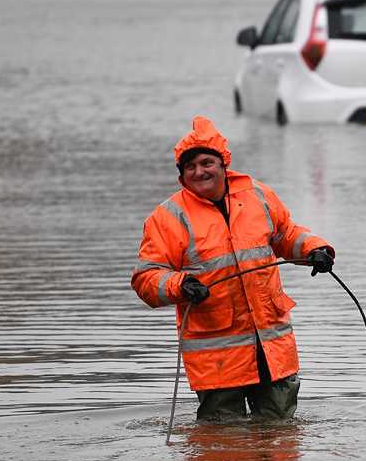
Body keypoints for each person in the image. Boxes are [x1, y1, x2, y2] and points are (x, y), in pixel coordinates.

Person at [131, 115, 334, 421]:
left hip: (270, 345)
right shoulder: (167, 217)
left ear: (222, 164)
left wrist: (314, 250)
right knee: (223, 442)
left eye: (206, 163)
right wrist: (180, 285)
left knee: (281, 433)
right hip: (217, 356)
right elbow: (146, 278)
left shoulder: (258, 195)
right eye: (190, 167)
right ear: (182, 175)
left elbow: (286, 235)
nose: (199, 171)